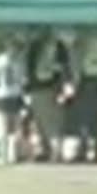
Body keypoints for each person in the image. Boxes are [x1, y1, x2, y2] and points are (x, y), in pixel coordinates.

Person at [25, 29, 72, 162]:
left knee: (45, 122)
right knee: (51, 122)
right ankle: (52, 152)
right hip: (49, 88)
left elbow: (29, 69)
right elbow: (65, 69)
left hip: (43, 89)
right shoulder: (58, 47)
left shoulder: (36, 47)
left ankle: (52, 151)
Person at [72, 32, 97, 162]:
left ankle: (86, 149)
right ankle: (96, 150)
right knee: (96, 118)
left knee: (86, 118)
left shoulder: (87, 48)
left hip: (88, 82)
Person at [0, 36, 26, 162]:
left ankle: (12, 153)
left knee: (16, 125)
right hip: (3, 95)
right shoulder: (0, 61)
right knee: (3, 125)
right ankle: (4, 154)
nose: (14, 50)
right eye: (12, 47)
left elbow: (22, 78)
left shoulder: (18, 61)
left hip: (15, 95)